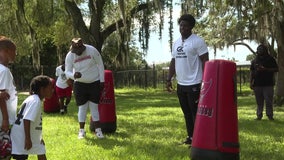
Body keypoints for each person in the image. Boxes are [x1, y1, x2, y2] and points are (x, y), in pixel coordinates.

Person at [166, 14, 209, 145]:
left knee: (195, 112)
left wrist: (204, 81)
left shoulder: (198, 41)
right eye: (181, 25)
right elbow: (173, 61)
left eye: (185, 25)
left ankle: (200, 139)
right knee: (186, 113)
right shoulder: (176, 43)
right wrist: (169, 79)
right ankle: (190, 137)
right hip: (181, 84)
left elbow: (205, 61)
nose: (182, 27)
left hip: (195, 83)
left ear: (191, 27)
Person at [65, 38, 105, 139]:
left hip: (94, 82)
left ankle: (98, 131)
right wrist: (74, 75)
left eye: (80, 50)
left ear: (83, 47)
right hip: (80, 84)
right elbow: (67, 71)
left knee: (94, 107)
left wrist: (102, 80)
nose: (78, 53)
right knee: (82, 108)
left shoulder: (92, 50)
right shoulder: (70, 55)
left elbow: (100, 64)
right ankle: (81, 131)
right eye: (75, 51)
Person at [11, 75, 53, 160]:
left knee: (41, 150)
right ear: (42, 89)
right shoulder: (35, 101)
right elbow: (27, 119)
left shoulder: (33, 99)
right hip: (21, 136)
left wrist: (39, 137)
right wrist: (28, 139)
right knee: (22, 157)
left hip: (27, 135)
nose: (52, 90)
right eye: (50, 88)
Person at [250, 44, 278, 120]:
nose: (259, 50)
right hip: (257, 84)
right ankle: (259, 115)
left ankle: (270, 116)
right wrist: (251, 82)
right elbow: (252, 72)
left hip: (268, 84)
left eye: (261, 49)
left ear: (265, 50)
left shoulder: (270, 59)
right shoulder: (255, 60)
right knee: (259, 102)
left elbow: (276, 69)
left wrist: (266, 69)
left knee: (268, 101)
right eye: (258, 49)